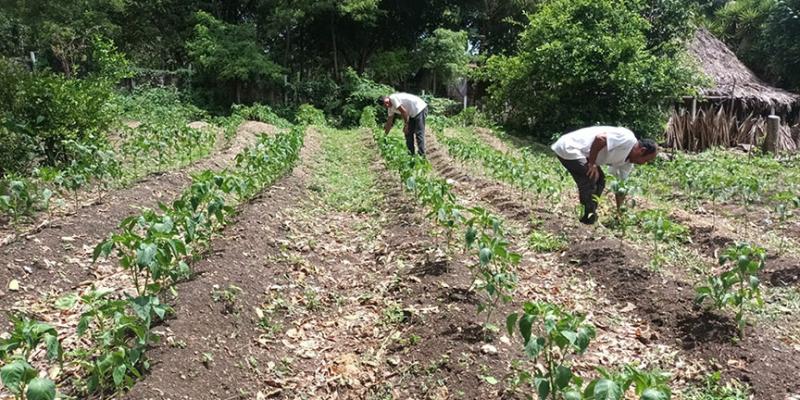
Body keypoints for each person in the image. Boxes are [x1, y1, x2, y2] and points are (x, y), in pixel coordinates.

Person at [551, 126, 658, 224]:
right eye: (646, 160)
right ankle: (587, 219)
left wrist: (619, 211)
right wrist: (592, 164)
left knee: (601, 181)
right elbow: (600, 138)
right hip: (570, 147)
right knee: (590, 178)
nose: (645, 163)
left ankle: (590, 214)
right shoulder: (627, 139)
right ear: (642, 150)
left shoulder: (627, 163)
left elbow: (620, 187)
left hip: (583, 154)